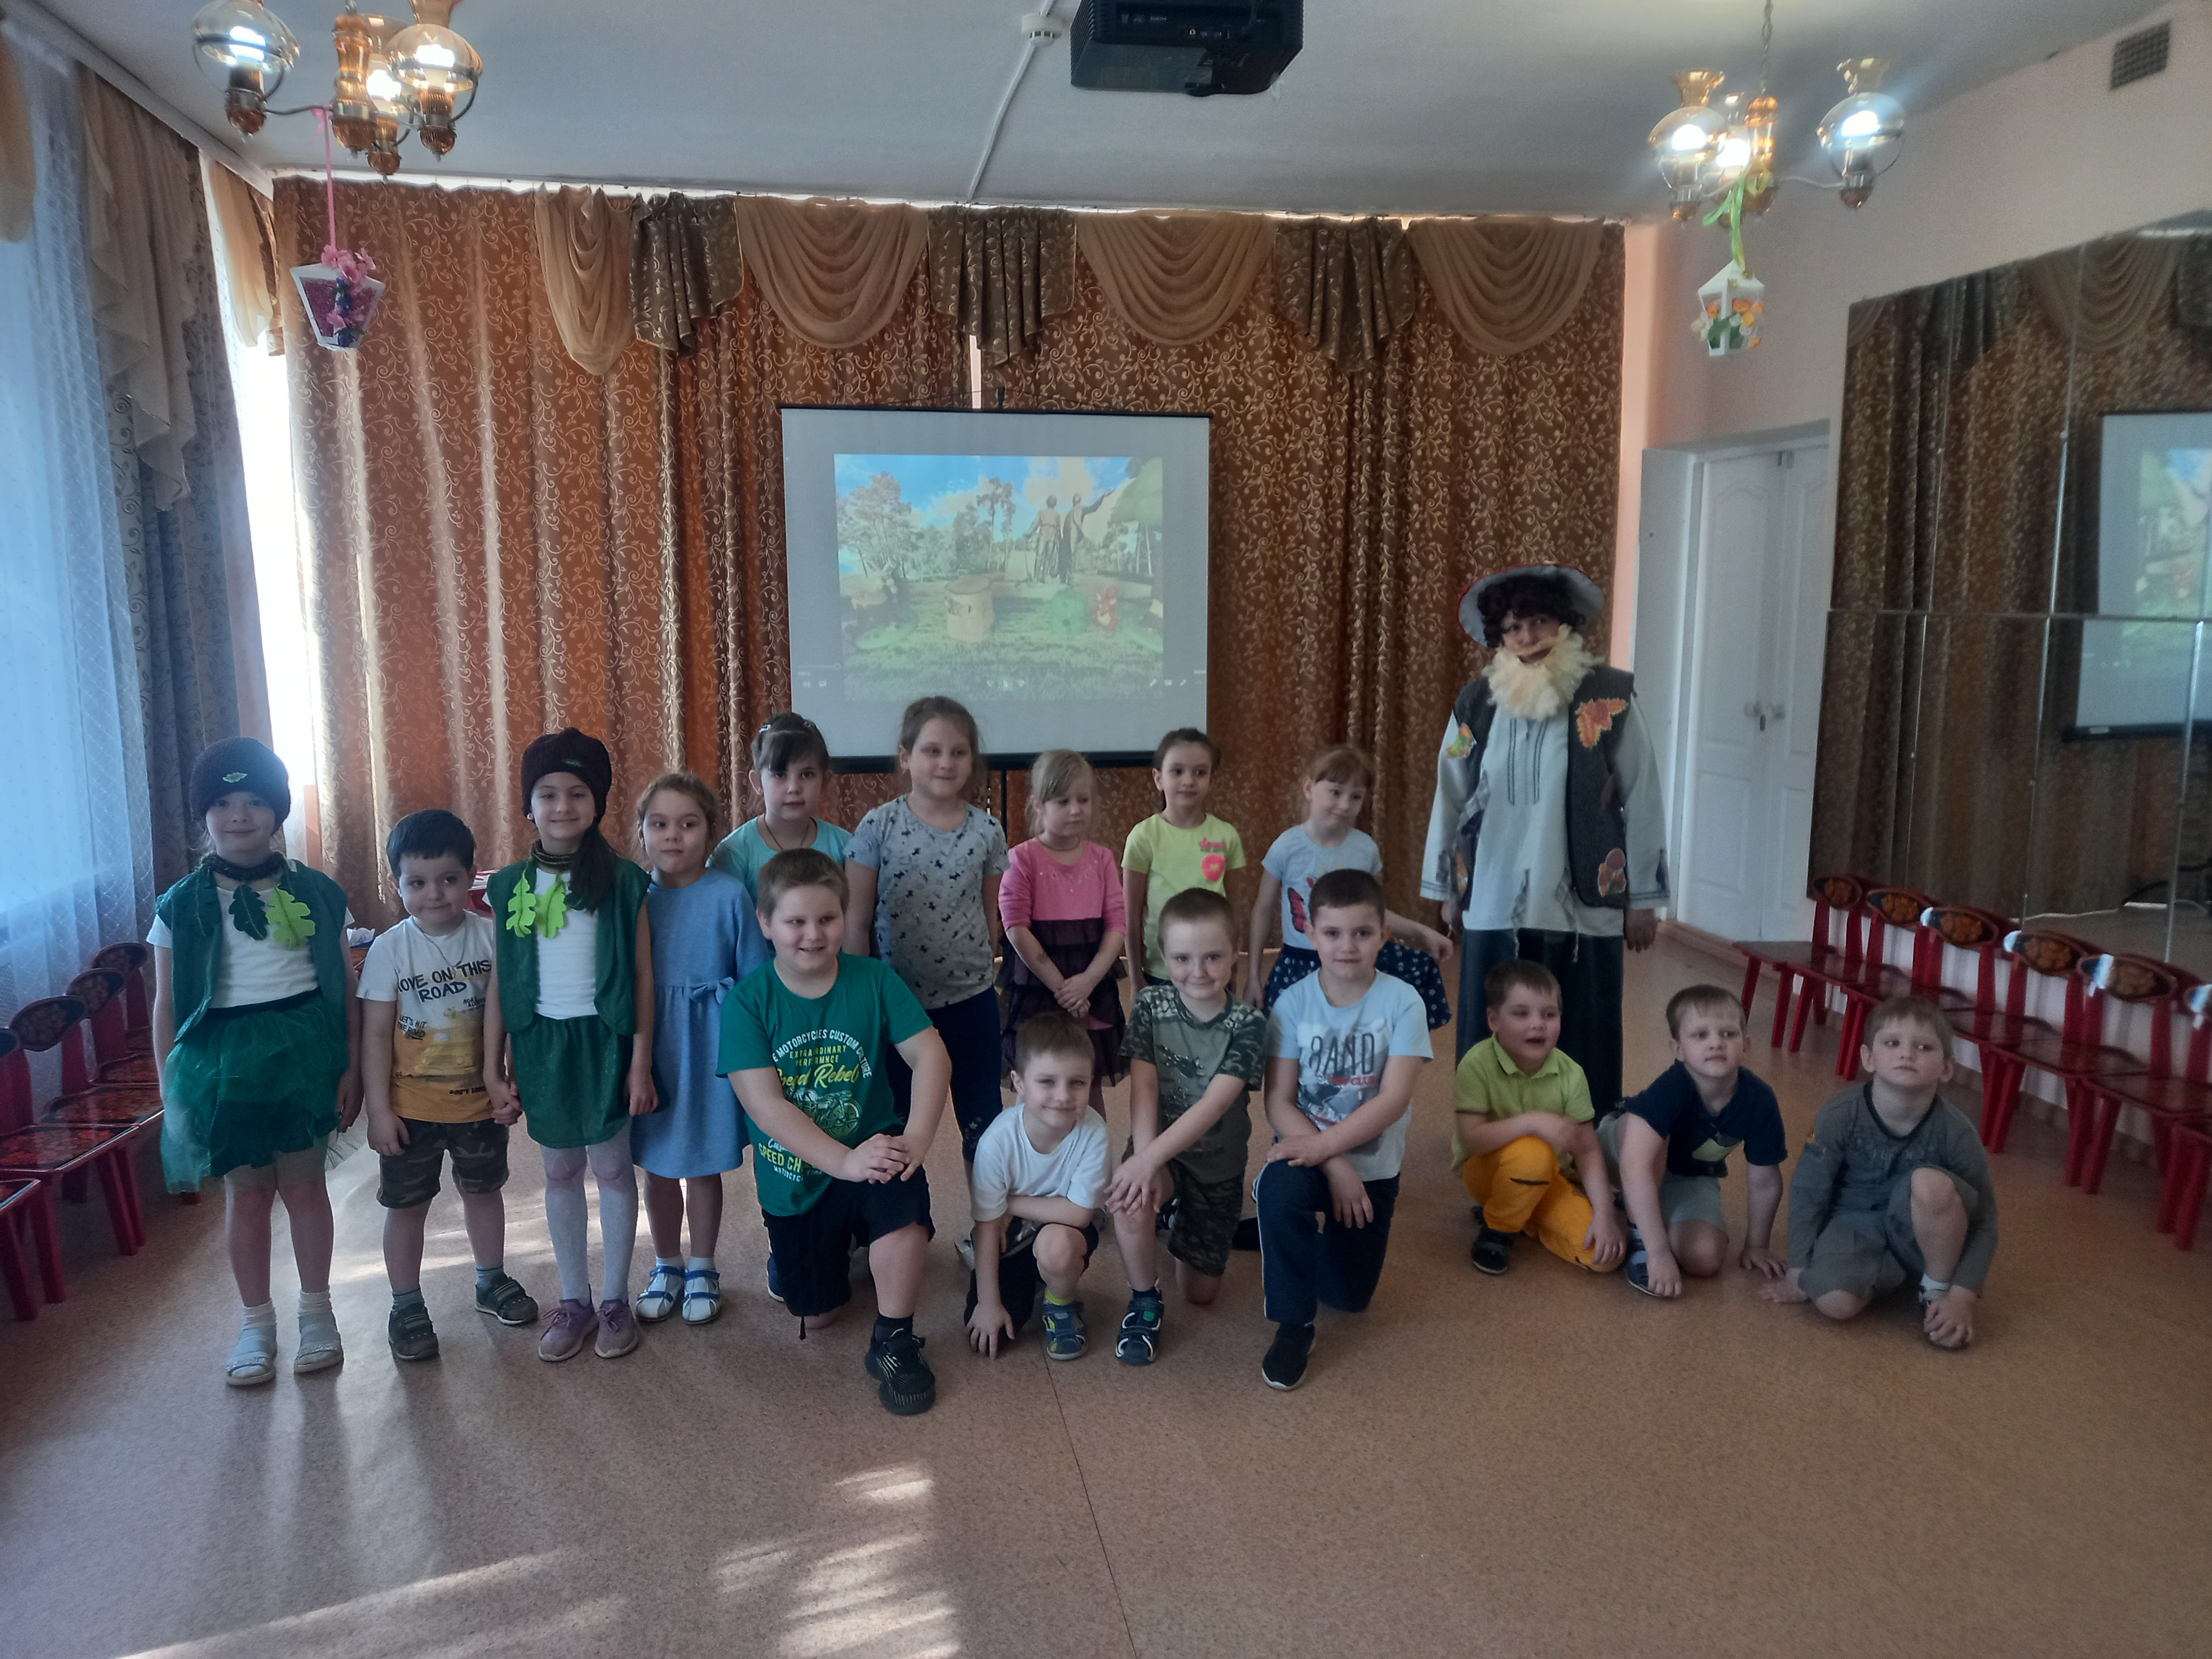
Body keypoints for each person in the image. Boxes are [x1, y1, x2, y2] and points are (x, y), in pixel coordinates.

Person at [1419, 564, 1669, 1116]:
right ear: (1498, 637)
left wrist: (1644, 900)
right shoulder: (1476, 704)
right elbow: (1450, 794)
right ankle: (1490, 1140)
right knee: (1495, 1027)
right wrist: (1448, 890)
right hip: (1494, 896)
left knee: (1584, 1028)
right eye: (1512, 628)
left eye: (1538, 621)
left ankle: (1583, 1143)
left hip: (1583, 905)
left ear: (1563, 622)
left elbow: (1643, 793)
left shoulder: (1610, 697)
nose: (1527, 637)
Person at [150, 738, 362, 1384]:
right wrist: (170, 1087)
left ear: (277, 812)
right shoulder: (180, 904)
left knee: (304, 1187)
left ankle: (317, 1314)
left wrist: (352, 1065)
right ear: (203, 815)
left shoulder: (319, 893)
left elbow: (346, 987)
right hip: (222, 1064)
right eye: (222, 803)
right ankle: (254, 1323)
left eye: (254, 801)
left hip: (304, 1055)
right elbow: (166, 1004)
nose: (238, 815)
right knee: (246, 1196)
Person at [722, 849, 953, 1415]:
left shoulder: (874, 980)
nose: (812, 934)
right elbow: (766, 1107)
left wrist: (918, 1138)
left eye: (827, 919)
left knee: (902, 1198)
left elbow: (931, 1056)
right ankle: (837, 1244)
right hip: (797, 1178)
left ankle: (894, 1338)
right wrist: (842, 1164)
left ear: (845, 918)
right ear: (766, 923)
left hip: (871, 1150)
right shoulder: (748, 1002)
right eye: (795, 921)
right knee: (819, 1315)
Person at [482, 729, 656, 1364]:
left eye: (578, 793)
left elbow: (643, 977)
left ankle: (614, 1299)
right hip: (541, 1045)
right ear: (528, 805)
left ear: (598, 802)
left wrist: (640, 1063)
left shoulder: (625, 881)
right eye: (548, 794)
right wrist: (491, 1067)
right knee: (559, 1172)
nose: (562, 806)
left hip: (605, 1041)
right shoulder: (508, 886)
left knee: (611, 1169)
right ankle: (575, 1299)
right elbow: (501, 979)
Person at [360, 809, 538, 1361]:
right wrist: (378, 1111)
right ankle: (406, 1304)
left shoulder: (492, 939)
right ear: (397, 884)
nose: (433, 894)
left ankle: (490, 1279)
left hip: (478, 1105)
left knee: (483, 1192)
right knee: (406, 1207)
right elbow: (375, 1035)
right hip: (410, 1108)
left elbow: (511, 1021)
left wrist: (509, 1083)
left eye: (448, 879)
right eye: (417, 882)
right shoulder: (389, 949)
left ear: (471, 878)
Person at [1253, 869, 1432, 1391]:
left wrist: (1340, 1159)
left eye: (1362, 933)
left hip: (1373, 1167)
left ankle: (1276, 1232)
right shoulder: (1292, 1002)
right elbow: (1278, 1100)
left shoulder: (1404, 1002)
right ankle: (1294, 1326)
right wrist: (1333, 1162)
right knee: (1280, 1190)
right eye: (1332, 933)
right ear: (1310, 933)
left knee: (1349, 1297)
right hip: (1310, 1157)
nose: (1347, 946)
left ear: (1384, 935)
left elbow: (1394, 1100)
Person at [1761, 996, 1997, 1350]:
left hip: (1921, 1233)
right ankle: (1887, 1274)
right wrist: (1798, 1269)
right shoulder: (1840, 1115)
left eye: (1924, 1047)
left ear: (1947, 1069)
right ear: (1868, 1058)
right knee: (1834, 1304)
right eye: (1892, 1043)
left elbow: (1986, 1220)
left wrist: (1963, 1297)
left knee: (1929, 1183)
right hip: (1854, 1226)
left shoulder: (1957, 1132)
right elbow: (1809, 1193)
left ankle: (1935, 1289)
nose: (1907, 1054)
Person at [1102, 888, 1268, 1366]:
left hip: (1218, 1163)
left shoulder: (1249, 1023)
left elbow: (1216, 1104)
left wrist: (1147, 1161)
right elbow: (1144, 1088)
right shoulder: (1151, 1005)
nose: (1198, 971)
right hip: (1159, 1147)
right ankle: (1144, 1300)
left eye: (1212, 957)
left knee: (1199, 1294)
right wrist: (1145, 1162)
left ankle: (1177, 1215)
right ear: (1163, 956)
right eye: (1182, 958)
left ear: (1235, 953)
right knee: (1130, 1198)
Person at [847, 697, 1009, 1172]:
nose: (945, 763)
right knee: (895, 1124)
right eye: (932, 751)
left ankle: (989, 1215)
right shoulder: (878, 826)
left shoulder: (988, 830)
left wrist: (986, 972)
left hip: (972, 1002)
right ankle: (899, 1211)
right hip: (898, 1007)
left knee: (984, 1123)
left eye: (958, 752)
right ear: (906, 757)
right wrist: (862, 1000)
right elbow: (856, 921)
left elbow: (990, 914)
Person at [630, 773, 768, 1328]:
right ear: (642, 832)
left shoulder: (729, 894)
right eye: (660, 824)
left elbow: (754, 979)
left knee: (704, 1163)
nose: (673, 836)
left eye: (687, 824)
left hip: (709, 1046)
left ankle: (704, 1265)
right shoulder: (634, 896)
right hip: (653, 1046)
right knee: (658, 1164)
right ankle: (667, 1262)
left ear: (710, 832)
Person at [1597, 985, 1787, 1298]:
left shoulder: (1760, 1099)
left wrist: (1757, 1244)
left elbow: (1765, 1180)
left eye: (1728, 1034)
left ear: (1746, 1046)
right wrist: (1658, 1252)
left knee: (1705, 1258)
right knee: (1654, 1134)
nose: (1716, 1043)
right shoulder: (1671, 1088)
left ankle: (1626, 1208)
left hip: (1689, 1175)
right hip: (1621, 1156)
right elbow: (1634, 1165)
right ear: (1679, 1049)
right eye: (1700, 1035)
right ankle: (1638, 1233)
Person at [1245, 743, 1453, 1029]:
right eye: (1335, 792)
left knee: (1414, 978)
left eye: (1356, 797)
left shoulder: (1365, 850)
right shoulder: (1286, 847)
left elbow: (1374, 913)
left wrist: (1421, 932)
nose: (1345, 805)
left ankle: (1400, 1049)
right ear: (1308, 788)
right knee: (1285, 1034)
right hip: (1302, 961)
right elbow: (1262, 910)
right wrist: (1253, 976)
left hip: (1353, 958)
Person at [1453, 960, 1625, 1277]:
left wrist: (1604, 1213)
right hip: (1486, 1171)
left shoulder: (1572, 1073)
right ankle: (1499, 1228)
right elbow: (1472, 1139)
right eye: (1521, 1014)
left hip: (1548, 1178)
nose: (1538, 1025)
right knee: (1533, 1154)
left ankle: (1522, 1216)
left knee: (1603, 1256)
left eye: (1549, 1015)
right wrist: (1531, 1122)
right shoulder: (1475, 1064)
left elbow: (1587, 1149)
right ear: (1494, 1020)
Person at [966, 1011, 1112, 1361]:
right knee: (991, 1332)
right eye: (1047, 1081)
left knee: (1055, 1249)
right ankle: (1030, 1279)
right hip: (1010, 1233)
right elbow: (987, 1226)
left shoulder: (1094, 1132)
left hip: (1063, 1229)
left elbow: (1079, 1214)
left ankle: (1060, 1302)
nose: (1063, 1096)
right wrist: (989, 1302)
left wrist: (1009, 1204)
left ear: (1091, 1082)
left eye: (1077, 1083)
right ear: (1019, 1083)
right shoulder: (997, 1142)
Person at [999, 749, 1128, 1114]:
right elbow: (1016, 929)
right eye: (1063, 801)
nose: (1076, 810)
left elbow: (1117, 924)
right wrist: (1062, 988)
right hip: (1040, 986)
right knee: (1037, 1079)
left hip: (1091, 984)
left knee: (1088, 1078)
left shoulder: (1102, 858)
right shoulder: (1022, 859)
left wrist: (1087, 982)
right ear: (1038, 805)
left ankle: (1092, 1151)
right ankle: (1029, 1150)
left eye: (1083, 800)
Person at [1123, 728, 1245, 990]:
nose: (1189, 781)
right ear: (1158, 778)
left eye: (1200, 773)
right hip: (1161, 971)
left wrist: (1233, 970)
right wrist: (1135, 979)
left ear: (1212, 779)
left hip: (1213, 969)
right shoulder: (1143, 837)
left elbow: (1233, 911)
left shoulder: (1227, 836)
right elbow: (1131, 916)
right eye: (1177, 771)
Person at [711, 713, 850, 909]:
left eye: (807, 775)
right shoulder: (733, 854)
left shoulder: (845, 847)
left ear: (825, 781)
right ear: (758, 783)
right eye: (780, 774)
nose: (794, 788)